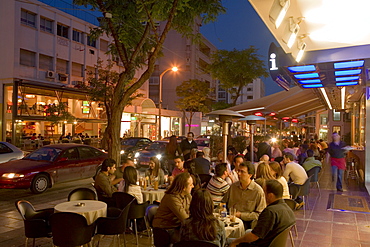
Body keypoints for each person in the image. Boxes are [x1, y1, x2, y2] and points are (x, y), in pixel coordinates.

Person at [228, 180, 295, 247]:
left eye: (264, 192)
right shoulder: (288, 209)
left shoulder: (270, 212)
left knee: (227, 241)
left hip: (261, 244)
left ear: (270, 196)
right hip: (273, 243)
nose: (263, 195)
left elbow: (254, 236)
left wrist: (236, 241)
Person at [222, 162, 266, 229]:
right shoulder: (233, 187)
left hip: (247, 223)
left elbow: (259, 214)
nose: (239, 174)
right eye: (238, 171)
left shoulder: (257, 191)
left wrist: (241, 215)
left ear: (250, 175)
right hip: (229, 220)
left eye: (242, 172)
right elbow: (223, 202)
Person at [152, 172, 194, 242]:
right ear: (183, 187)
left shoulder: (187, 195)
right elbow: (185, 219)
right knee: (192, 240)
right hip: (165, 230)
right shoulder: (172, 198)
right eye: (191, 184)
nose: (193, 186)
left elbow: (194, 211)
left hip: (177, 226)